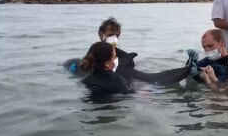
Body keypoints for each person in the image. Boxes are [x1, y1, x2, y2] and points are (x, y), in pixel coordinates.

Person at [64, 17, 194, 85]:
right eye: (109, 34)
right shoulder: (90, 56)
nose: (113, 38)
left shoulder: (124, 58)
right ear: (101, 34)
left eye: (116, 35)